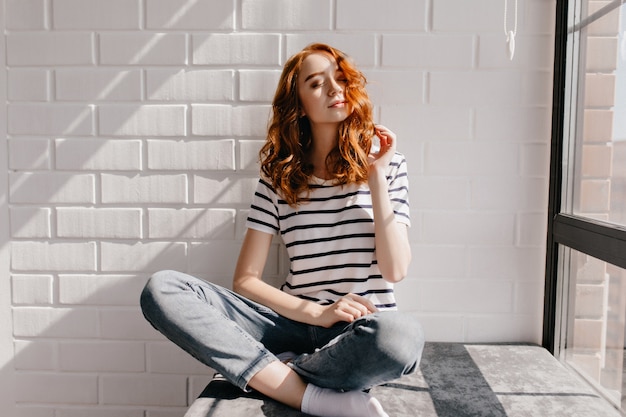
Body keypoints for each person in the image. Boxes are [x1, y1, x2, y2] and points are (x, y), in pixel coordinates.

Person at [140, 43, 425, 417]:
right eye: (316, 83)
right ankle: (311, 396)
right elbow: (246, 281)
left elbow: (396, 270)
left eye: (340, 79)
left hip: (358, 331)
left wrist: (375, 178)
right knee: (162, 288)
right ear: (298, 103)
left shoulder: (388, 166)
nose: (335, 89)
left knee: (401, 338)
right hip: (291, 325)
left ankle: (282, 375)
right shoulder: (278, 179)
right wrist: (318, 313)